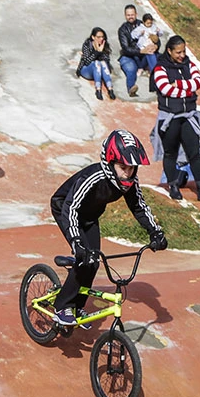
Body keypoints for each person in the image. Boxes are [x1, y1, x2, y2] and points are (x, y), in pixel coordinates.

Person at [50, 130, 167, 325]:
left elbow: (139, 207)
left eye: (132, 169)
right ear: (109, 162)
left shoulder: (129, 182)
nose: (128, 173)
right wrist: (77, 242)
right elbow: (70, 208)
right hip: (66, 209)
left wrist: (155, 232)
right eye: (123, 167)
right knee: (84, 259)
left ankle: (77, 307)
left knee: (94, 262)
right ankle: (62, 307)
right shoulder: (94, 177)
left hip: (90, 217)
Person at [154, 35, 200, 201]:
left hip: (188, 116)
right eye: (178, 52)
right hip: (170, 117)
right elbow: (166, 89)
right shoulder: (160, 68)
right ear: (169, 51)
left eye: (183, 51)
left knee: (194, 153)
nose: (182, 55)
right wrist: (187, 88)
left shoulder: (189, 64)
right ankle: (173, 186)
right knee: (170, 154)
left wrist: (179, 84)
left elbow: (197, 82)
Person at [117, 4, 156, 98]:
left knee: (161, 59)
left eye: (132, 14)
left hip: (144, 55)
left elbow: (155, 36)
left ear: (136, 14)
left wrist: (156, 46)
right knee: (131, 69)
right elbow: (126, 48)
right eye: (128, 15)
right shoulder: (122, 30)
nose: (130, 17)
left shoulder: (144, 24)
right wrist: (141, 51)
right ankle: (131, 88)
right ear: (125, 16)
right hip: (129, 56)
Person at [76, 27, 115, 101]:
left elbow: (106, 61)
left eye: (102, 37)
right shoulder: (87, 45)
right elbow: (87, 61)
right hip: (86, 70)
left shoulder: (104, 45)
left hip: (99, 71)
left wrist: (101, 51)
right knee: (96, 63)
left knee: (102, 63)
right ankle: (98, 89)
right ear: (93, 37)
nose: (101, 39)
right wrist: (97, 52)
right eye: (98, 37)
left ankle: (110, 89)